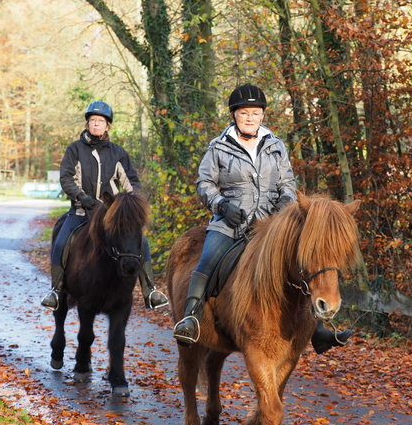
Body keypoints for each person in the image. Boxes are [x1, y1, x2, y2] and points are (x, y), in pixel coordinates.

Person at [172, 83, 352, 353]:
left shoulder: (276, 145)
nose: (250, 118)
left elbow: (287, 183)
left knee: (305, 264)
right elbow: (205, 183)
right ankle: (190, 319)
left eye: (255, 113)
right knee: (208, 259)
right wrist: (221, 205)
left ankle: (318, 329)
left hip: (272, 225)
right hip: (230, 223)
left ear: (263, 115)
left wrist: (285, 206)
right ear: (234, 115)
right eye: (244, 113)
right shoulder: (219, 146)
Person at [41, 100, 168, 311]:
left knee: (140, 241)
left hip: (112, 214)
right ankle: (56, 290)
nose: (96, 124)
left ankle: (150, 290)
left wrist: (130, 204)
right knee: (62, 240)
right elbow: (66, 178)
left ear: (107, 125)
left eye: (100, 121)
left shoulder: (118, 152)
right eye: (92, 121)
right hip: (82, 211)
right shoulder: (75, 149)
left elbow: (131, 183)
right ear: (87, 124)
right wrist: (82, 197)